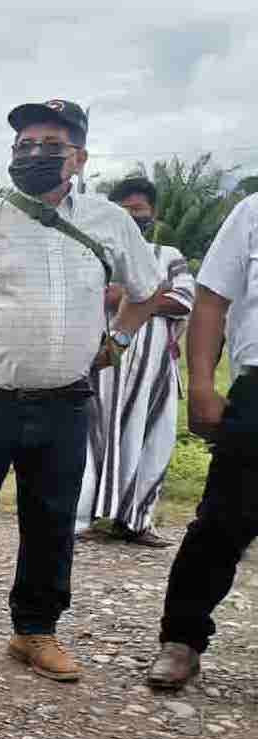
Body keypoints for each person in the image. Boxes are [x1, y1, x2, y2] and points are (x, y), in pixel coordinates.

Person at [0, 99, 173, 683]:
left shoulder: (108, 221)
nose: (35, 154)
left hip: (65, 402)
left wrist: (118, 339)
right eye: (24, 144)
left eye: (51, 145)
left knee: (51, 523)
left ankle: (35, 630)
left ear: (79, 157)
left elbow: (149, 289)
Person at [145, 191, 258, 690]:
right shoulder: (253, 211)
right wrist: (202, 384)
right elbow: (211, 300)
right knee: (222, 521)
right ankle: (182, 640)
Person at [76, 177, 194, 546]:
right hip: (102, 365)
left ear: (152, 213)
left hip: (152, 369)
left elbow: (184, 300)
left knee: (151, 439)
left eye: (139, 209)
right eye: (124, 210)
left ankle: (137, 521)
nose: (132, 216)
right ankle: (82, 518)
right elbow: (89, 296)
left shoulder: (168, 255)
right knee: (91, 437)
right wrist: (152, 295)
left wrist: (131, 297)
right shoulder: (95, 253)